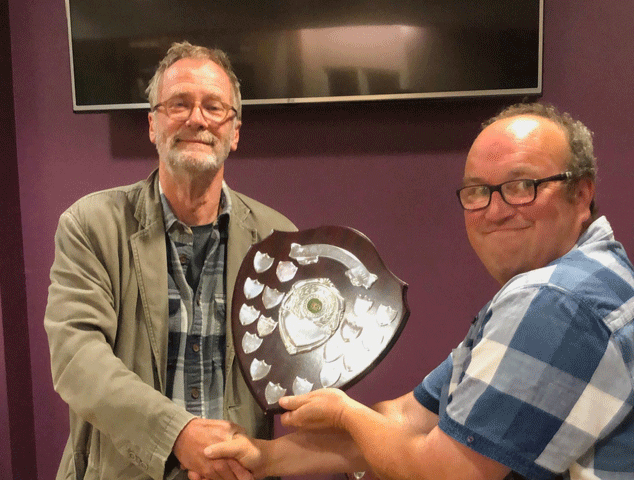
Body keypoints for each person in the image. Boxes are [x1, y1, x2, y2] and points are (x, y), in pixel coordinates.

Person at [206, 102, 634, 480]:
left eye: (523, 186)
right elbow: (410, 418)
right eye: (478, 191)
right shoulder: (588, 276)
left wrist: (344, 412)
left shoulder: (555, 302)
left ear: (581, 194)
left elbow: (441, 472)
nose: (497, 210)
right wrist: (264, 456)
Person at [44, 41, 296, 480]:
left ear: (234, 131)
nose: (196, 119)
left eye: (214, 107)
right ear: (152, 124)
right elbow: (76, 358)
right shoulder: (90, 225)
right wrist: (178, 435)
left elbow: (297, 364)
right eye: (178, 104)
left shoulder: (278, 238)